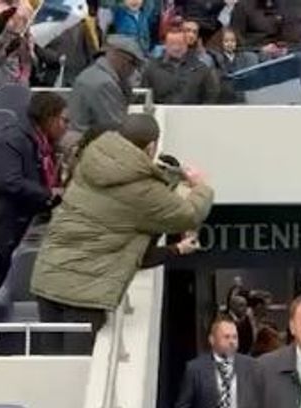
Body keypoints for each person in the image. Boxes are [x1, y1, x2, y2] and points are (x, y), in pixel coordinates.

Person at [31, 114, 215, 354]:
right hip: (85, 291)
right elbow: (189, 215)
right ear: (151, 147)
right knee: (78, 370)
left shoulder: (90, 161)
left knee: (51, 364)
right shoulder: (143, 190)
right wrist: (201, 186)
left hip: (48, 275)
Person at [0, 91, 68, 288]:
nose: (66, 127)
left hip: (16, 212)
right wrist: (49, 193)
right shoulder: (13, 139)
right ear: (49, 118)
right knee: (1, 272)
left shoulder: (44, 143)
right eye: (64, 120)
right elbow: (10, 181)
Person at [68, 34, 144, 133]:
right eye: (133, 63)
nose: (133, 70)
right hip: (89, 139)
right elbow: (114, 125)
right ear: (120, 58)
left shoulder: (93, 73)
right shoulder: (105, 83)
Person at [142, 28, 219, 104]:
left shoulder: (200, 68)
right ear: (165, 45)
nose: (176, 48)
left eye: (180, 44)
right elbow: (143, 96)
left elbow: (211, 96)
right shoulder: (152, 68)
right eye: (172, 44)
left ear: (186, 44)